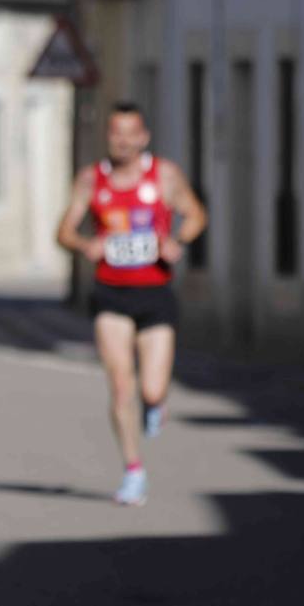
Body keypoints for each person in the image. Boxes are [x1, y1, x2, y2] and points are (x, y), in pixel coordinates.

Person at [55, 101, 207, 506]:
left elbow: (195, 215)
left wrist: (179, 241)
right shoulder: (92, 180)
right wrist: (88, 243)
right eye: (116, 133)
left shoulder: (165, 175)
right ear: (109, 137)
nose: (123, 141)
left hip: (155, 293)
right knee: (122, 385)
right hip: (111, 293)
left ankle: (155, 405)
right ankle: (133, 470)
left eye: (130, 133)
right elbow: (64, 230)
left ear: (144, 137)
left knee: (152, 389)